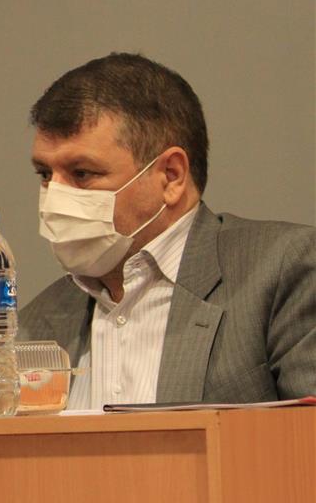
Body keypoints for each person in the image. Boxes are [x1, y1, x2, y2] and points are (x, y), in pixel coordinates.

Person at [20, 53, 315, 407]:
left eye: (82, 174)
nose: (55, 197)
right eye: (45, 175)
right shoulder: (33, 325)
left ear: (171, 176)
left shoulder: (283, 272)